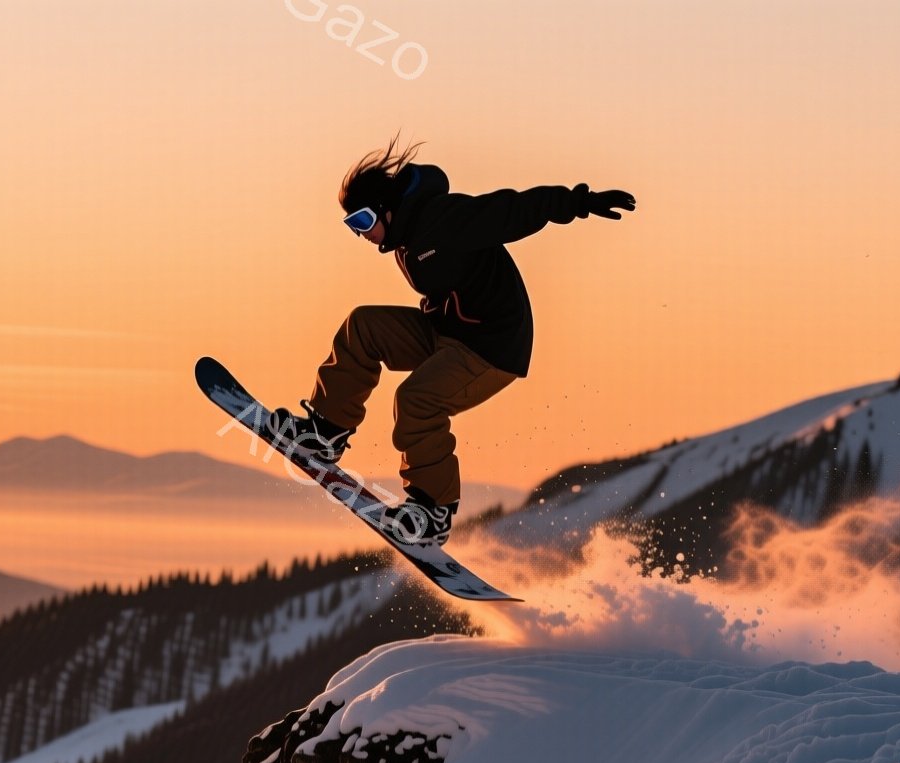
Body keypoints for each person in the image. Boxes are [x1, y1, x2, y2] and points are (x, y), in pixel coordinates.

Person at [268, 137, 637, 545]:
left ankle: (432, 511)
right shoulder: (405, 235)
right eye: (352, 225)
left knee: (416, 400)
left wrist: (577, 202)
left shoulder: (444, 218)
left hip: (491, 346)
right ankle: (326, 431)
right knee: (364, 326)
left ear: (386, 209)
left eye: (362, 221)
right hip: (449, 332)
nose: (362, 234)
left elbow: (510, 210)